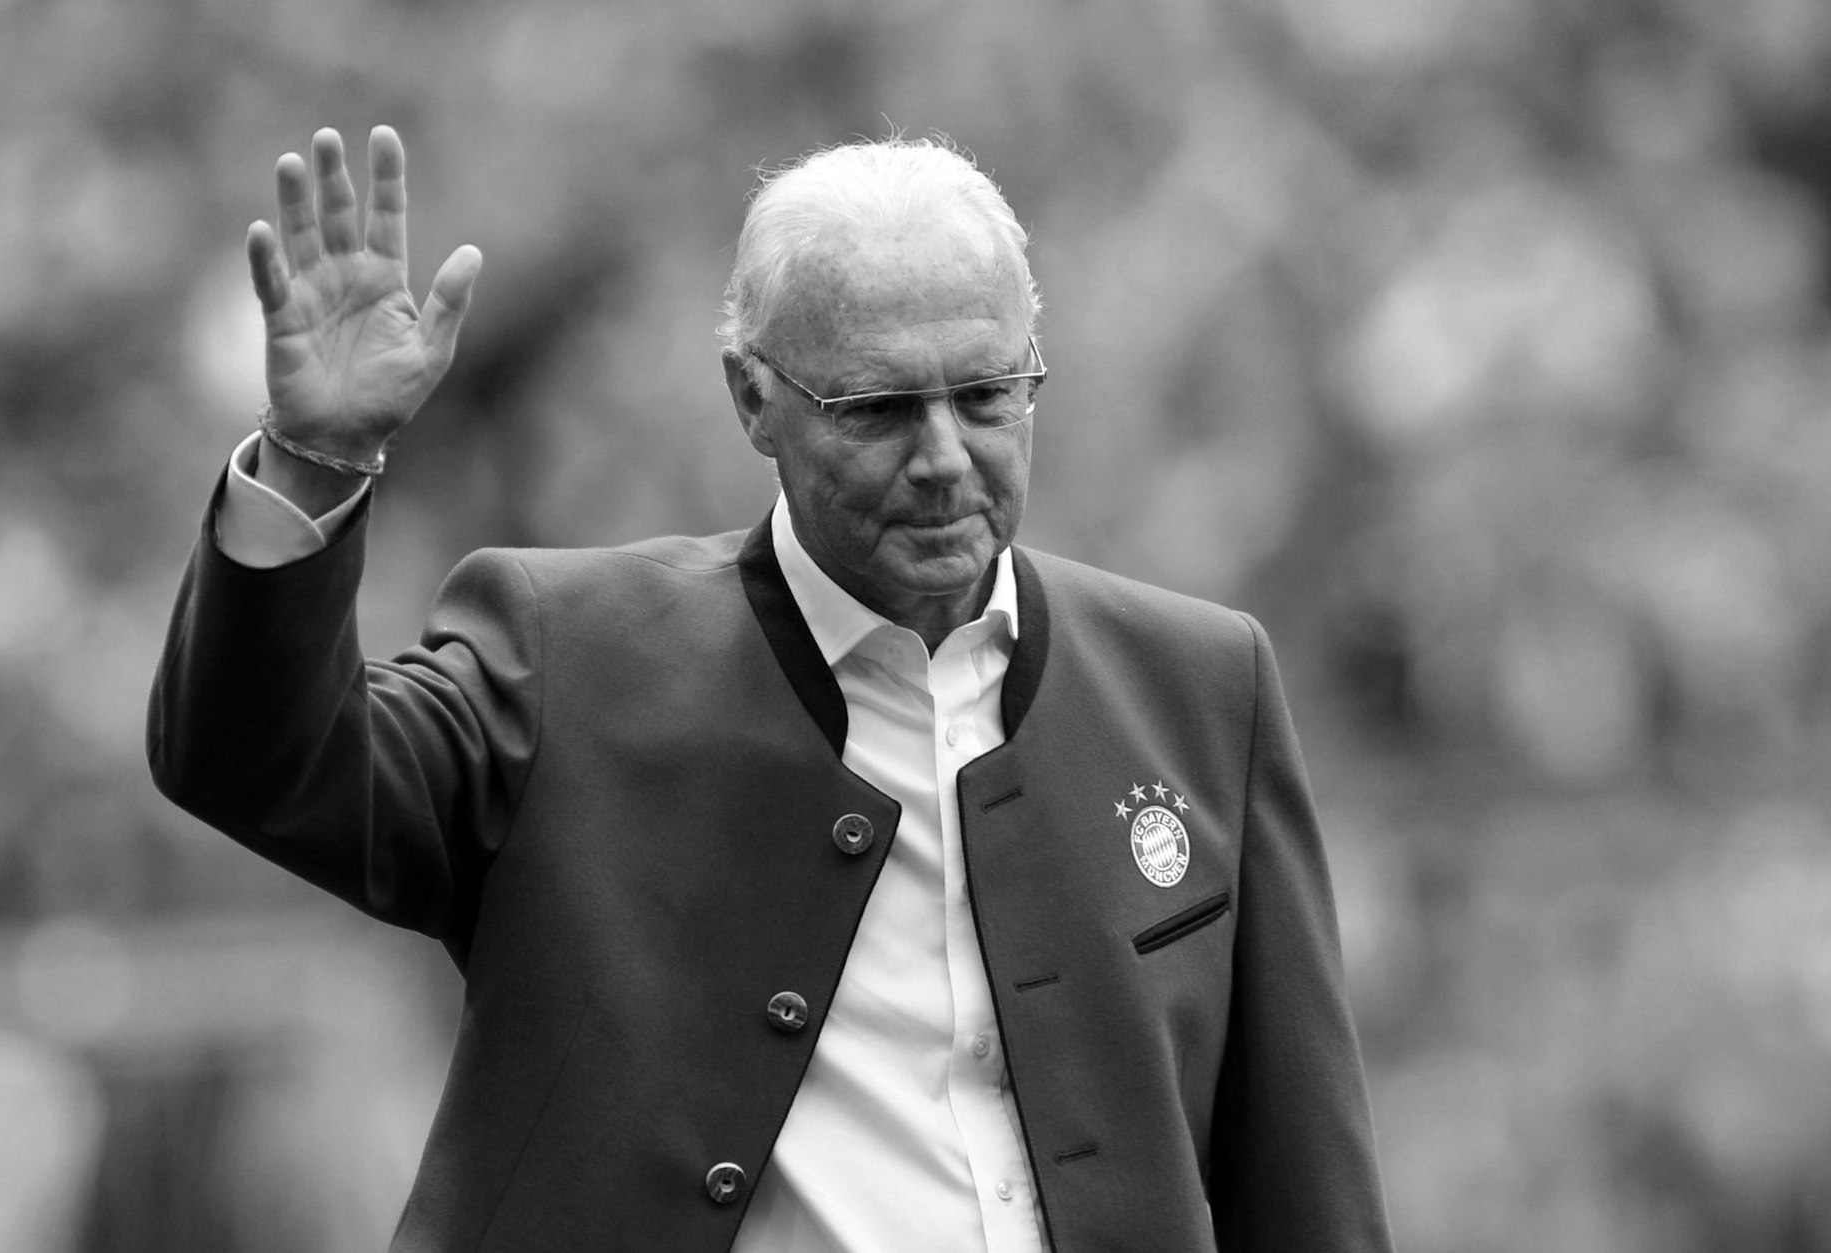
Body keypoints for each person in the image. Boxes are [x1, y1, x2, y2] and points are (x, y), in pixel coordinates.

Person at [148, 125, 1394, 1252]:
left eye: (985, 394)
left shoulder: (1200, 682)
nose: (945, 457)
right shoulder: (567, 650)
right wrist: (316, 461)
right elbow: (258, 761)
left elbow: (1303, 1176)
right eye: (879, 408)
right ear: (753, 398)